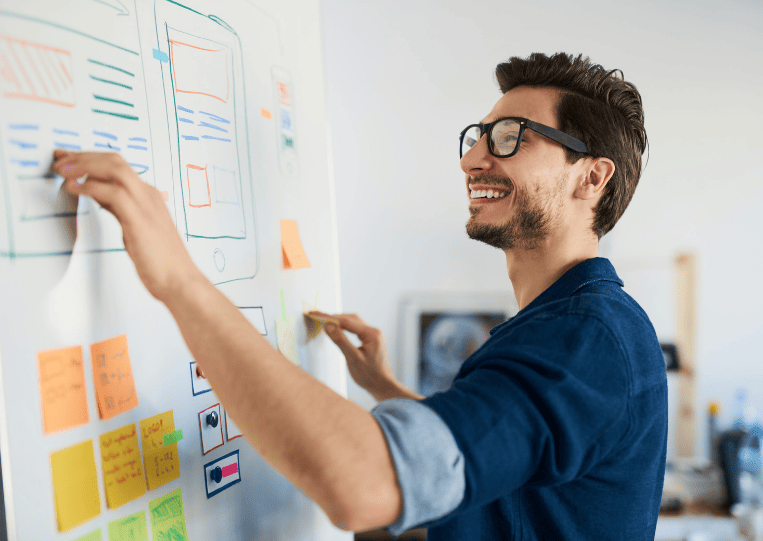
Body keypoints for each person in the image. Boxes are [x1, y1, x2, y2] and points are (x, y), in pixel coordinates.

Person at [51, 51, 667, 540]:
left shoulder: (585, 338)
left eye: (511, 136)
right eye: (477, 136)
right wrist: (389, 392)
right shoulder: (570, 321)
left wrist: (177, 279)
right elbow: (497, 477)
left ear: (591, 175)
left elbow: (367, 487)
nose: (474, 159)